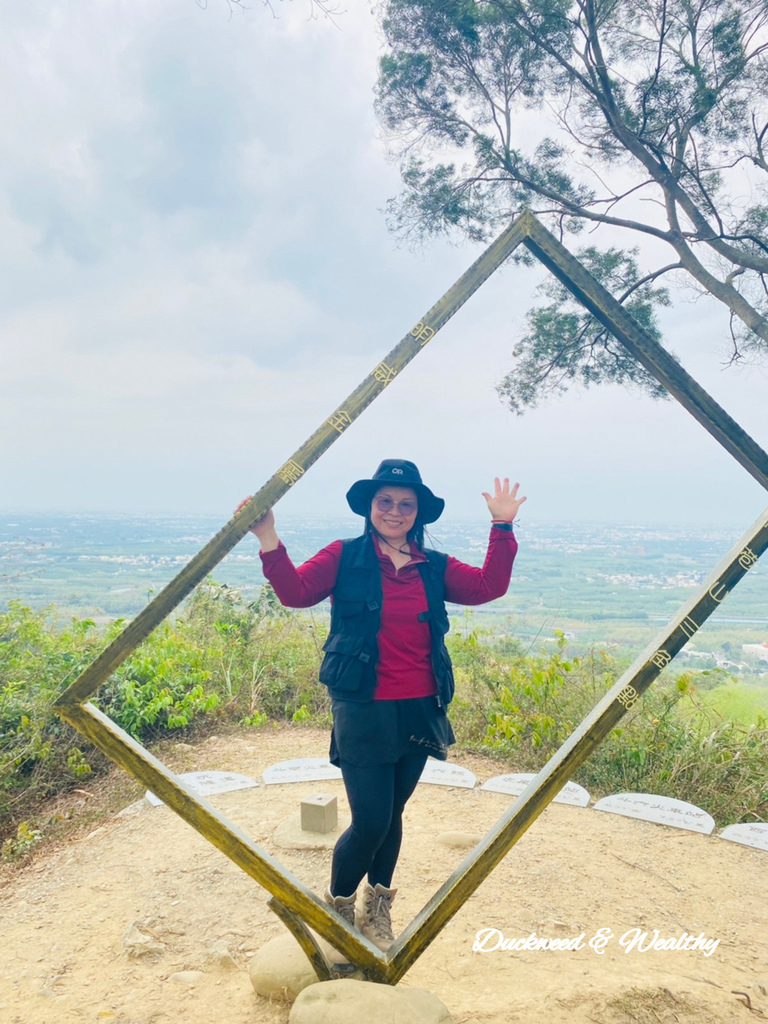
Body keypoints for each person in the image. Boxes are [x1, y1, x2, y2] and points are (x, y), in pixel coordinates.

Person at [239, 459, 525, 952]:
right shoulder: (345, 557)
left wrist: (502, 526)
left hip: (420, 706)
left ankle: (379, 906)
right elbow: (296, 593)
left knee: (392, 815)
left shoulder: (432, 567)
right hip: (363, 706)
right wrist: (268, 536)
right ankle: (341, 906)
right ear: (370, 507)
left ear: (419, 514)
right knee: (370, 819)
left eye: (405, 504)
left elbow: (487, 587)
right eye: (385, 502)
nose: (394, 511)